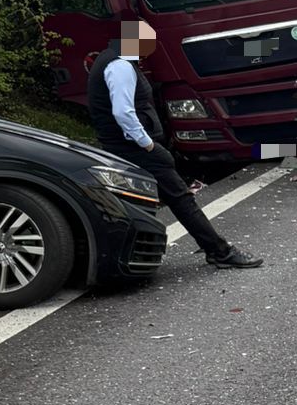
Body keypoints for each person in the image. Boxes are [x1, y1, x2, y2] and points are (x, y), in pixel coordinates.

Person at [87, 23, 261, 270]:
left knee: (143, 200)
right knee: (180, 197)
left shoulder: (111, 60)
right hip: (132, 146)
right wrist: (147, 144)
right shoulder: (120, 66)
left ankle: (204, 244)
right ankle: (219, 251)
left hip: (122, 144)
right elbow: (123, 112)